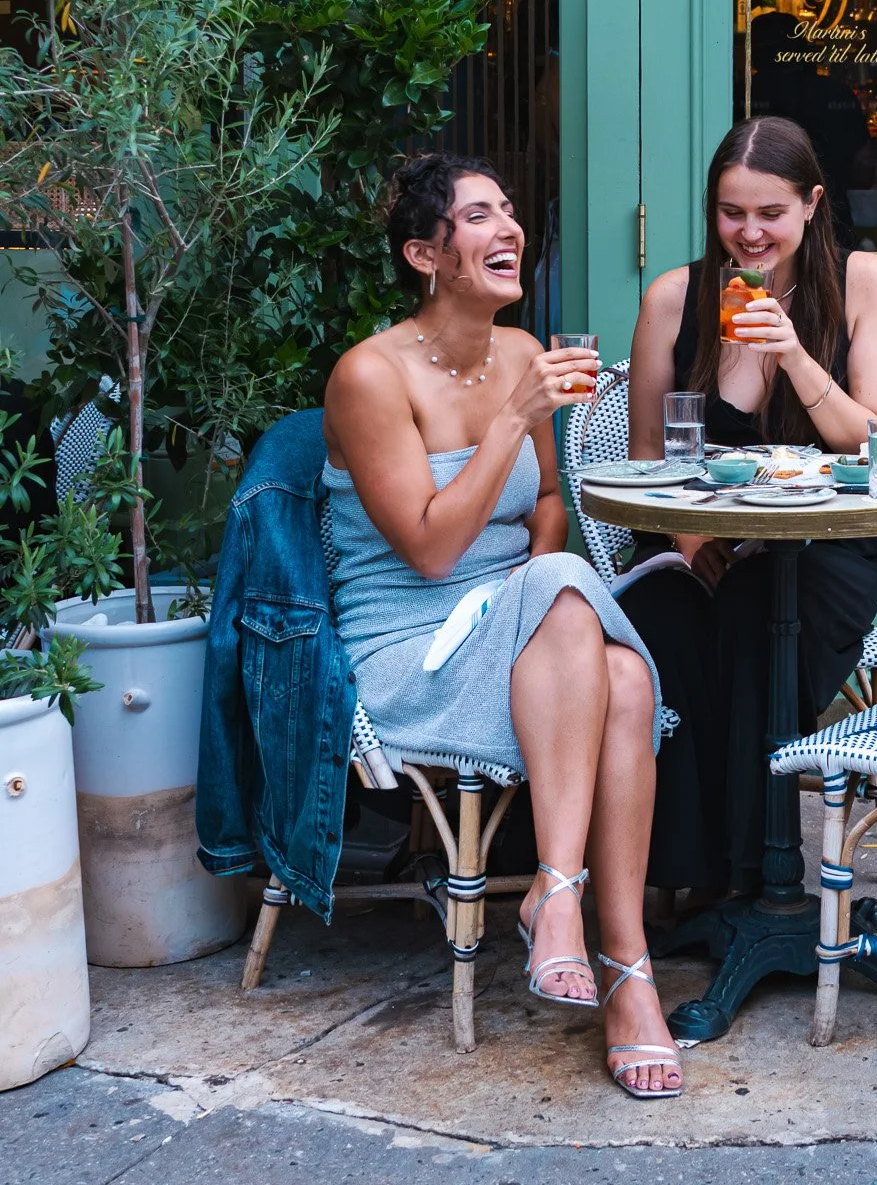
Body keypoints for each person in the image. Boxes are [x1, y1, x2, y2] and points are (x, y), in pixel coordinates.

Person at [323, 153, 681, 1100]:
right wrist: (510, 426)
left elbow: (551, 504)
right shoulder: (368, 376)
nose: (510, 227)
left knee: (621, 668)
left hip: (516, 618)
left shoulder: (521, 351)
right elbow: (433, 554)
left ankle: (621, 963)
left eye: (511, 210)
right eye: (480, 216)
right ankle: (568, 914)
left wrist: (536, 594)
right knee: (594, 636)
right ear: (423, 254)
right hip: (409, 645)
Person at [623, 115, 877, 896]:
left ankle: (750, 887)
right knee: (667, 623)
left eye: (770, 213)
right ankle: (685, 885)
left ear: (813, 203)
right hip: (693, 542)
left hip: (825, 549)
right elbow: (649, 449)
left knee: (758, 615)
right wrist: (686, 543)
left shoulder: (864, 282)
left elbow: (876, 439)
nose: (748, 233)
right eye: (731, 212)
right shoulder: (675, 297)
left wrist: (793, 353)